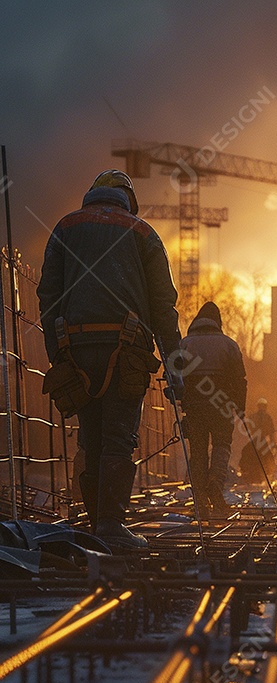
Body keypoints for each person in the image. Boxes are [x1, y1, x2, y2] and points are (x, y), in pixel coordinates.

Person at [37, 169, 182, 551]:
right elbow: (162, 305)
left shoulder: (65, 226)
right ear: (128, 201)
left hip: (76, 350)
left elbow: (48, 294)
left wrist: (58, 355)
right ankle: (110, 527)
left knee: (91, 437)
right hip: (127, 350)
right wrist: (175, 367)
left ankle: (95, 525)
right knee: (119, 437)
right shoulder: (143, 233)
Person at [179, 301, 247, 517]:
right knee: (222, 444)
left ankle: (200, 501)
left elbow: (176, 377)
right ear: (218, 322)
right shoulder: (229, 345)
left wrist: (180, 400)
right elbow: (239, 379)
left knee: (198, 451)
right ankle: (215, 482)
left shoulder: (184, 344)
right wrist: (240, 407)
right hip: (221, 405)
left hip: (194, 407)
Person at [240, 397, 276, 483]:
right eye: (261, 406)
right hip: (258, 441)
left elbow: (271, 432)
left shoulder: (255, 417)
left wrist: (273, 442)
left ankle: (265, 474)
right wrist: (273, 442)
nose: (262, 408)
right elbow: (271, 432)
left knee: (247, 452)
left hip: (258, 441)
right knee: (267, 457)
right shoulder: (265, 417)